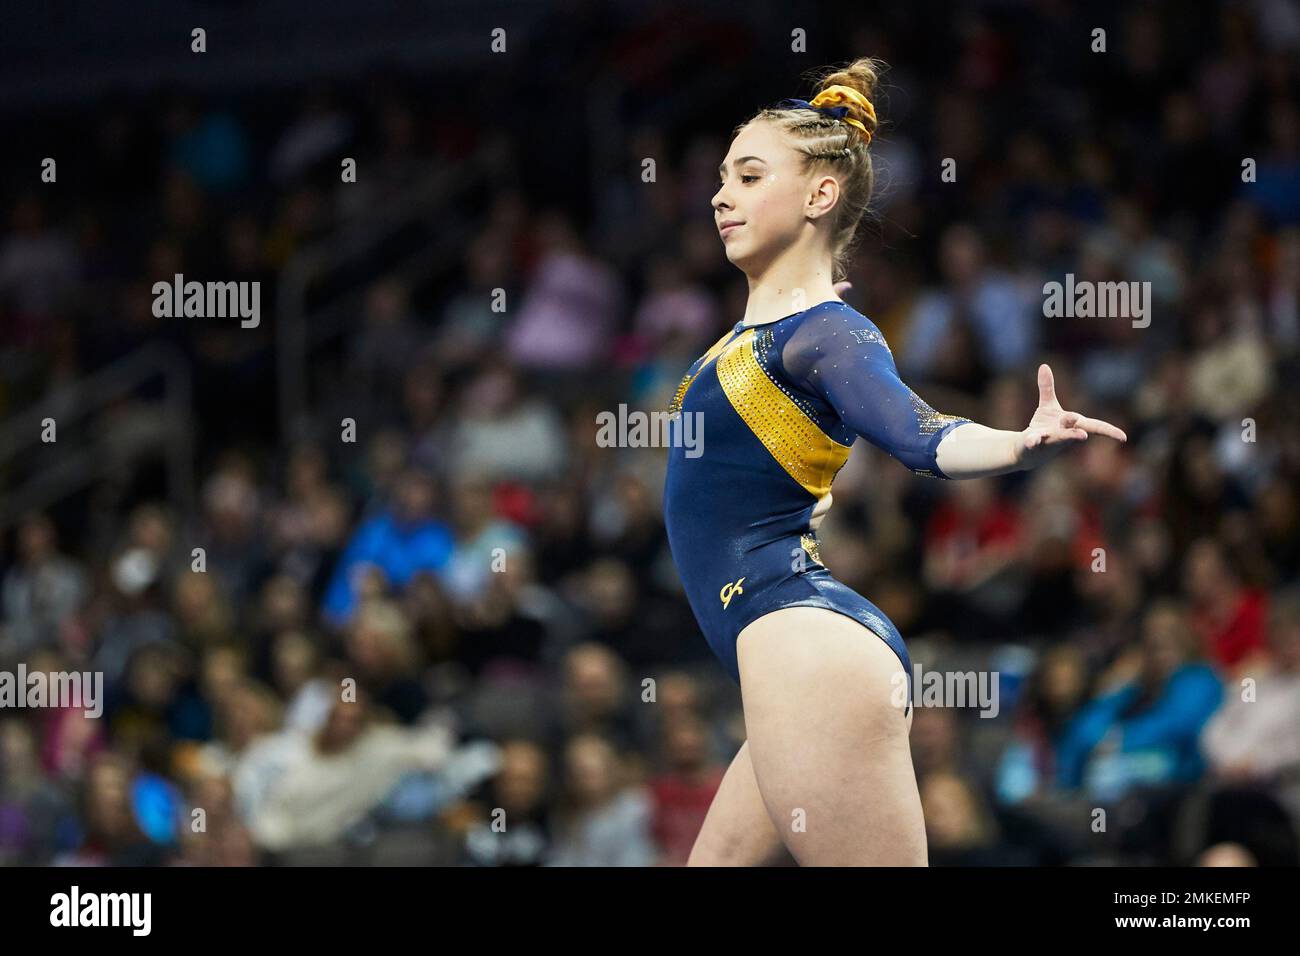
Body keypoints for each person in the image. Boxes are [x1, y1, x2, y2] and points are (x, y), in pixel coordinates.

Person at [665, 58, 1126, 866]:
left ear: (819, 196)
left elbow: (926, 437)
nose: (719, 194)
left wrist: (1019, 442)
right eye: (719, 177)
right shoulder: (750, 341)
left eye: (747, 174)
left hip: (807, 651)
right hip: (779, 660)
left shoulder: (826, 331)